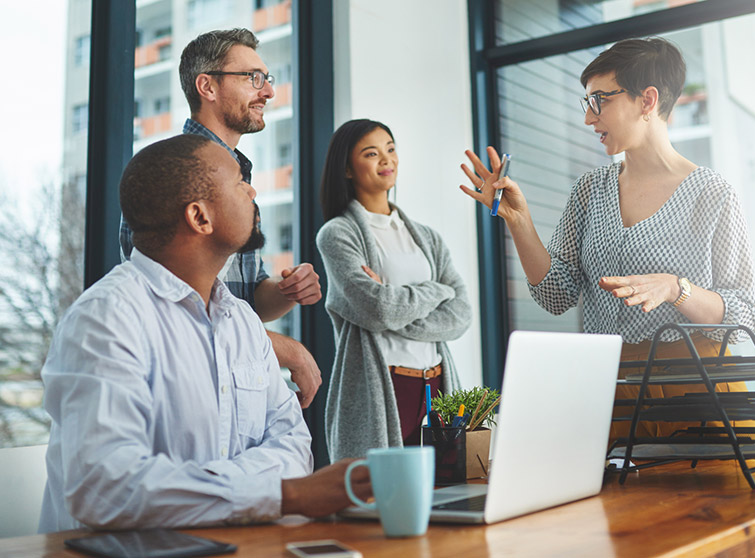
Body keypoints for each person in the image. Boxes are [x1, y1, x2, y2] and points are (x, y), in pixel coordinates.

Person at [39, 135, 370, 533]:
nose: (252, 190)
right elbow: (106, 488)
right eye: (238, 182)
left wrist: (199, 489)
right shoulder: (105, 319)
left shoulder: (242, 320)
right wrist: (285, 496)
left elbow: (295, 446)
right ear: (200, 218)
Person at [459, 37, 755, 441]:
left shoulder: (712, 193)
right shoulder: (590, 190)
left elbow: (745, 315)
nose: (589, 118)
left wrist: (676, 288)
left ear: (647, 100)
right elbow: (555, 295)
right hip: (608, 389)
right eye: (587, 102)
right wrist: (519, 220)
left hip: (696, 389)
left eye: (600, 100)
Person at [119, 28, 322, 408]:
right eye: (253, 78)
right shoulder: (169, 173)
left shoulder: (240, 177)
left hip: (237, 380)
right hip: (190, 389)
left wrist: (285, 291)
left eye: (267, 79)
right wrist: (285, 349)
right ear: (207, 86)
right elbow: (177, 310)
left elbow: (249, 298)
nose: (268, 92)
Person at [317, 119, 471, 461]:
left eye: (390, 149)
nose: (387, 160)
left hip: (437, 384)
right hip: (384, 385)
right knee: (382, 500)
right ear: (346, 169)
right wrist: (437, 291)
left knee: (447, 497)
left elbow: (461, 316)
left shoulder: (427, 237)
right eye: (372, 153)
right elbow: (379, 310)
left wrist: (395, 302)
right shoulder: (338, 234)